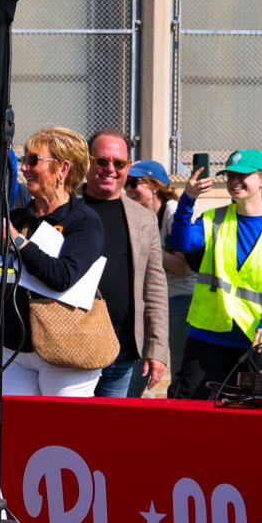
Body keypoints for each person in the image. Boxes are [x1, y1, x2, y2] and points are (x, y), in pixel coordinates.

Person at [169, 149, 262, 401]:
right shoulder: (214, 219)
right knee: (190, 412)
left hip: (259, 341)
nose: (234, 180)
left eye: (243, 175)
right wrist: (188, 199)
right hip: (209, 337)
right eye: (231, 175)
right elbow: (181, 241)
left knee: (259, 421)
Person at [0, 127, 106, 397]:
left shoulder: (83, 220)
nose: (25, 168)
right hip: (15, 347)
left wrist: (18, 242)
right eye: (24, 160)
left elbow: (61, 277)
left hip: (66, 349)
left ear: (63, 169)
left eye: (34, 160)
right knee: (17, 433)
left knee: (64, 435)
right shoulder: (19, 218)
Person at [79, 130, 169, 398]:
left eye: (118, 163)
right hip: (71, 347)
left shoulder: (143, 218)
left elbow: (154, 288)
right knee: (69, 433)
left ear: (128, 167)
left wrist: (157, 349)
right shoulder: (66, 207)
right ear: (87, 161)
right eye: (102, 161)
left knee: (110, 434)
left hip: (122, 351)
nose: (110, 169)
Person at [126, 159, 193, 379]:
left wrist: (148, 248)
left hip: (181, 297)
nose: (128, 189)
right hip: (152, 299)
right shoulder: (141, 216)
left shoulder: (172, 212)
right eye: (126, 184)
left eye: (134, 183)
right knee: (138, 368)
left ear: (154, 185)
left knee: (180, 369)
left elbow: (183, 267)